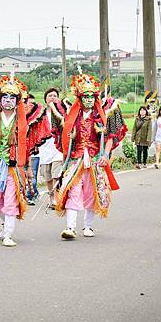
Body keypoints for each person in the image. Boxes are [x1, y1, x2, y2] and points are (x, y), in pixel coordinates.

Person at [0, 75, 50, 247]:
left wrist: (28, 167)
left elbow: (27, 145)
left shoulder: (23, 119)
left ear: (17, 101)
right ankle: (6, 223)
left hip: (14, 167)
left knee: (10, 200)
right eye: (4, 97)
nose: (8, 101)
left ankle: (8, 234)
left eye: (12, 98)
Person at [53, 70, 127, 239]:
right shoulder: (72, 116)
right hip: (76, 158)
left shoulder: (101, 116)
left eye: (91, 96)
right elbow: (63, 135)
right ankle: (70, 227)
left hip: (94, 157)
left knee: (92, 192)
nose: (88, 100)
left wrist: (106, 154)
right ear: (80, 97)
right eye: (85, 96)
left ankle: (88, 226)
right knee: (72, 190)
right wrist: (69, 137)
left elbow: (111, 136)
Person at [38, 87, 64, 209]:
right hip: (44, 149)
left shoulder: (62, 112)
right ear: (46, 99)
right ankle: (51, 197)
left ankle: (58, 199)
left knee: (56, 174)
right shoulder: (40, 115)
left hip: (58, 148)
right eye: (50, 96)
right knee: (48, 176)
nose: (52, 97)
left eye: (54, 95)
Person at [25, 94, 40, 205]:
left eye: (33, 104)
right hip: (19, 153)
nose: (31, 105)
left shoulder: (36, 118)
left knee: (32, 175)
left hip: (33, 152)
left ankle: (31, 195)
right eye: (29, 103)